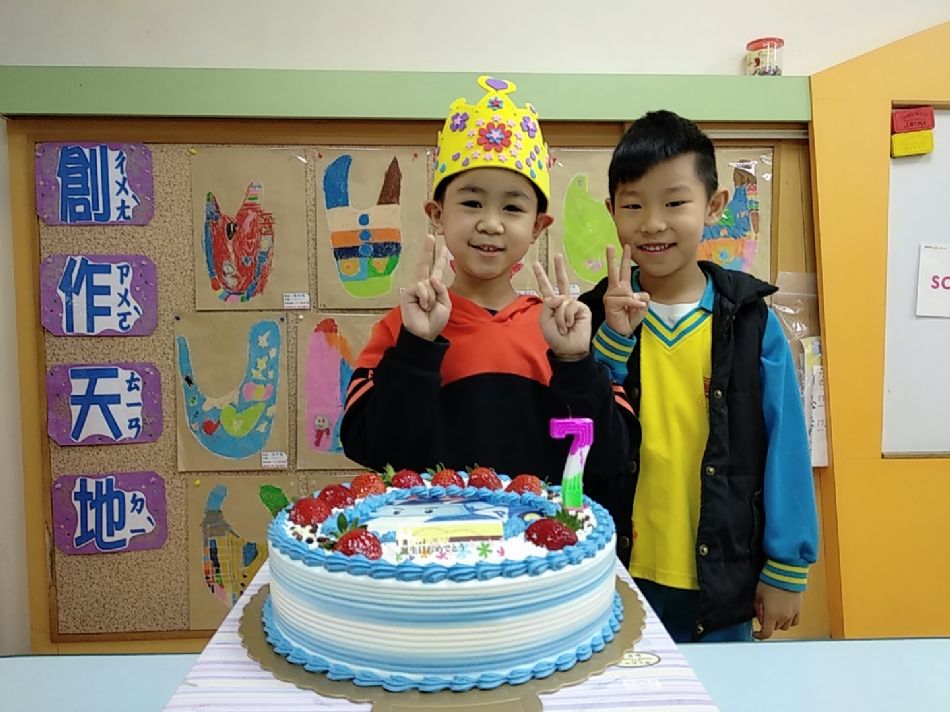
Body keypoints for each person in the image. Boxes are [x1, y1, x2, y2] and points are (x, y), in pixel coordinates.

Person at [581, 110, 819, 642]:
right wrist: (610, 344)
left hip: (723, 576)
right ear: (611, 211)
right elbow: (578, 430)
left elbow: (785, 443)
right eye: (633, 205)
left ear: (714, 206)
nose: (653, 223)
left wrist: (788, 563)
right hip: (610, 570)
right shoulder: (592, 317)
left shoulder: (750, 321)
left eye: (674, 202)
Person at [341, 75, 638, 486]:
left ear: (537, 226)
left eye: (512, 208)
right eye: (472, 202)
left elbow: (606, 459)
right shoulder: (402, 329)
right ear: (437, 215)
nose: (491, 224)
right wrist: (417, 348)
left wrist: (574, 364)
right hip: (431, 527)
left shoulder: (558, 333)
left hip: (539, 527)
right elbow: (373, 449)